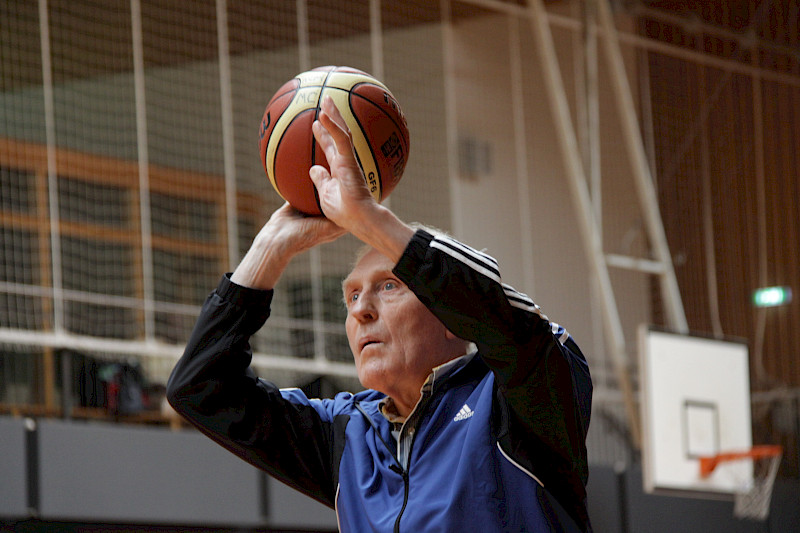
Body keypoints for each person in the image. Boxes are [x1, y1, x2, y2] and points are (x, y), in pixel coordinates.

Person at [167, 96, 593, 532]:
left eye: (389, 286)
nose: (361, 311)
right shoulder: (347, 435)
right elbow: (200, 388)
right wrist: (272, 246)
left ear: (451, 315)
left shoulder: (520, 395)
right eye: (351, 297)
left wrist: (370, 219)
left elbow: (503, 315)